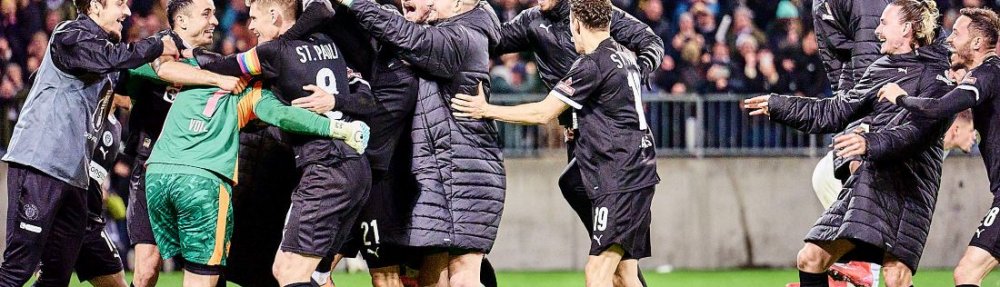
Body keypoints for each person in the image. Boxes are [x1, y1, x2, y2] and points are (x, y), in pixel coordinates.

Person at [744, 1, 954, 286]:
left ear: (906, 29)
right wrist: (779, 104)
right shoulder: (881, 67)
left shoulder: (936, 70)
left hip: (911, 182)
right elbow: (834, 111)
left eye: (884, 23)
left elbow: (920, 133)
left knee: (895, 276)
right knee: (809, 258)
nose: (876, 30)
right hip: (873, 174)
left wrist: (869, 142)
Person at [450, 0, 659, 284]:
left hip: (617, 174)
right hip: (637, 169)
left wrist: (485, 110)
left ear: (576, 23)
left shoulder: (590, 64)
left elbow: (542, 112)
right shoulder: (623, 56)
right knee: (625, 274)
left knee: (597, 272)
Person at [323, 0, 506, 285]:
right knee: (434, 275)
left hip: (461, 175)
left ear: (459, 5)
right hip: (437, 175)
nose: (430, 3)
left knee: (461, 277)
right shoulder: (451, 33)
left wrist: (352, 2)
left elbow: (408, 36)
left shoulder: (458, 38)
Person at [195, 0, 377, 284]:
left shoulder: (271, 53)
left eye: (254, 18)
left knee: (289, 272)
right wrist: (336, 100)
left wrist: (187, 55)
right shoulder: (328, 44)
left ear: (274, 15)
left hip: (324, 167)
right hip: (356, 167)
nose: (251, 26)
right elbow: (368, 99)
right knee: (309, 273)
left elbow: (223, 66)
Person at [144, 57, 368, 287]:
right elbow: (285, 116)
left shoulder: (191, 75)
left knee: (192, 264)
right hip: (201, 180)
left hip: (155, 176)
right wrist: (339, 128)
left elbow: (150, 66)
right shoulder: (254, 90)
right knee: (202, 275)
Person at [0, 0, 176, 282]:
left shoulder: (106, 59)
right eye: (119, 4)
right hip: (39, 166)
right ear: (94, 6)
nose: (127, 13)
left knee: (56, 276)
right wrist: (157, 44)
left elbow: (123, 69)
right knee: (16, 271)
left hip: (74, 180)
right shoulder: (69, 34)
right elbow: (109, 56)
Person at [876, 7, 1000, 287]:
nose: (950, 39)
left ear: (978, 43)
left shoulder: (988, 73)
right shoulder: (988, 76)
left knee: (967, 274)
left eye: (957, 33)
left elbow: (938, 108)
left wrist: (901, 98)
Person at [114, 0, 221, 284]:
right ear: (182, 21)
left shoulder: (213, 59)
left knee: (206, 267)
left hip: (197, 172)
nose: (215, 21)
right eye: (207, 14)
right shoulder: (153, 49)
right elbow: (123, 85)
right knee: (147, 267)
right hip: (150, 170)